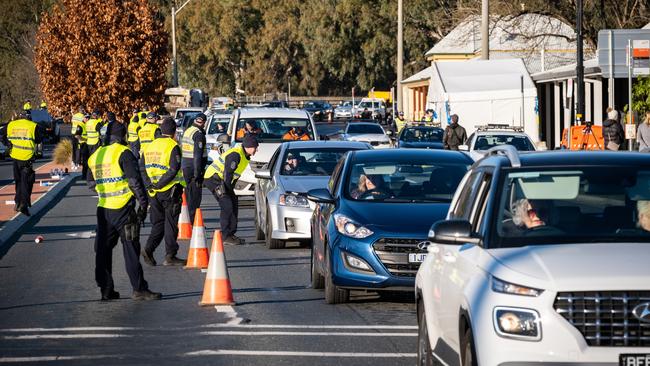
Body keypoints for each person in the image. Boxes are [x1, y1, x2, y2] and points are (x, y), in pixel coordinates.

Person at [86, 122, 161, 301]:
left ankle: (106, 289)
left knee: (103, 249)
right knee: (130, 249)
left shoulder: (95, 156)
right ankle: (139, 289)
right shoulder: (124, 153)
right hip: (124, 209)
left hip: (103, 210)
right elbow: (134, 181)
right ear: (123, 136)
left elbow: (91, 183)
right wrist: (143, 204)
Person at [140, 118, 186, 266]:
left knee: (158, 223)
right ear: (174, 132)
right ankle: (170, 255)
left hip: (153, 192)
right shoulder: (173, 146)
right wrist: (160, 184)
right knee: (171, 223)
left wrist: (149, 184)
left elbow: (141, 167)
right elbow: (174, 169)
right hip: (169, 190)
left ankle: (148, 249)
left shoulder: (150, 146)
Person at [204, 135, 259, 245]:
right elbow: (227, 175)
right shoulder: (236, 155)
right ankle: (225, 236)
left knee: (234, 203)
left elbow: (234, 176)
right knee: (227, 204)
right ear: (248, 146)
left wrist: (230, 191)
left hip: (222, 180)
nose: (257, 150)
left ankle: (231, 234)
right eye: (255, 147)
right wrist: (227, 191)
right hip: (214, 178)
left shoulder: (245, 156)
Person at [1, 111, 42, 216]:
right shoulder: (33, 126)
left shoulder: (11, 125)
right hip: (26, 157)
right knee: (27, 181)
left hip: (15, 156)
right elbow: (38, 139)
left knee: (18, 181)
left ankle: (18, 202)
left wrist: (8, 144)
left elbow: (3, 137)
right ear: (29, 118)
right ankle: (23, 204)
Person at [181, 112, 207, 225]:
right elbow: (197, 155)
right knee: (195, 198)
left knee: (188, 195)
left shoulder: (188, 130)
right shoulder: (198, 134)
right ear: (204, 123)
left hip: (186, 166)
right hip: (194, 168)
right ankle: (192, 223)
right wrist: (198, 174)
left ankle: (187, 220)